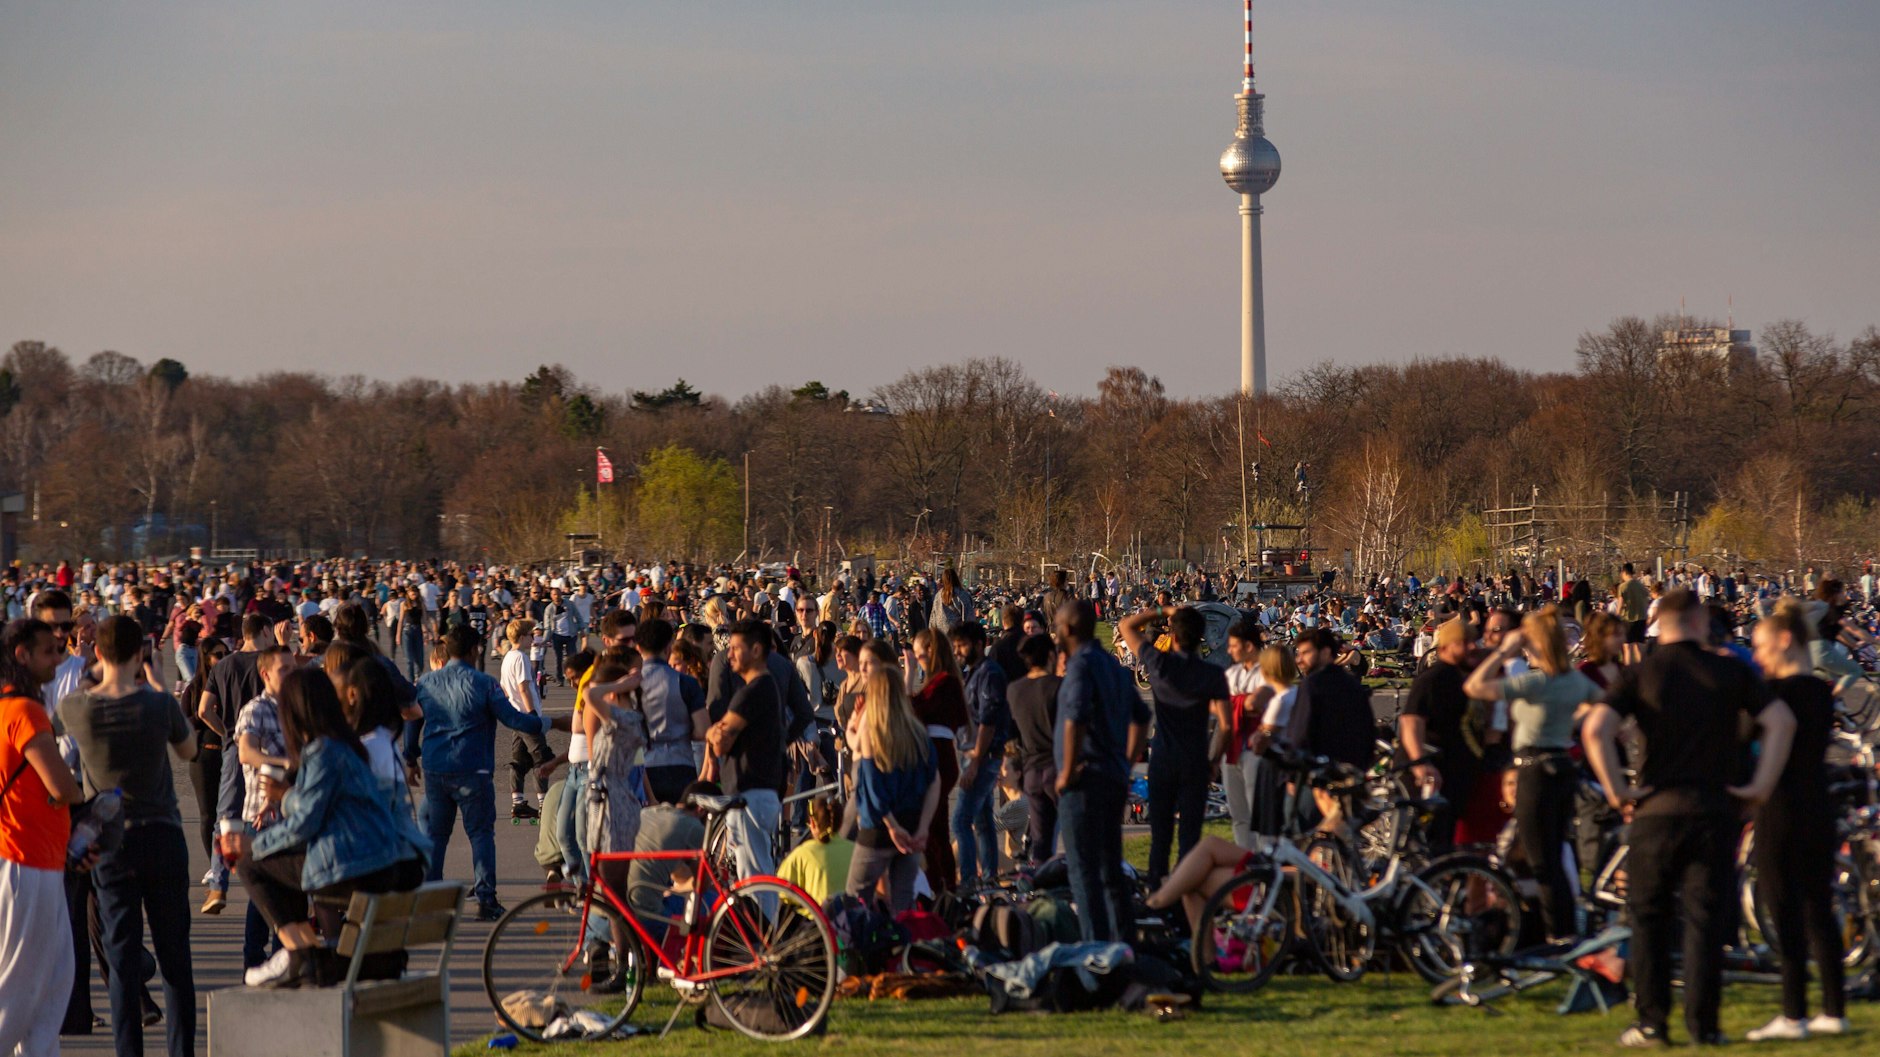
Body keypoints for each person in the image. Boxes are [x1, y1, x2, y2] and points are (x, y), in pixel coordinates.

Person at [1582, 588, 1796, 1047]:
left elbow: (1595, 728)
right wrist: (1760, 785)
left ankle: (1652, 1021)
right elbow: (1782, 721)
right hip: (1714, 808)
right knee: (1705, 920)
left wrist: (1618, 789)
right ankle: (1705, 1025)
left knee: (1648, 916)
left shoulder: (1642, 672)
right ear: (1700, 622)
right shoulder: (1730, 670)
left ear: (1660, 623)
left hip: (1656, 808)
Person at [226, 668, 431, 989]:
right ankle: (302, 952)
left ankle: (298, 953)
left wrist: (253, 845)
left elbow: (304, 824)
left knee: (253, 864)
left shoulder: (323, 752)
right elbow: (320, 808)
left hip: (354, 870)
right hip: (379, 863)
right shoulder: (350, 747)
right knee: (280, 860)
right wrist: (288, 802)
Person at [59, 614, 199, 1057]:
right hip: (161, 833)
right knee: (175, 959)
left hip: (110, 841)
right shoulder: (159, 706)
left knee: (120, 962)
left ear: (97, 653)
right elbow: (188, 749)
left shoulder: (78, 708)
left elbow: (59, 727)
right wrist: (157, 683)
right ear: (142, 655)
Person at [1742, 601, 1847, 1041]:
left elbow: (1745, 736)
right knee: (1820, 909)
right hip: (1818, 804)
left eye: (1762, 647)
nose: (1759, 657)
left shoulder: (1777, 695)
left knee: (1783, 909)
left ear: (1785, 641)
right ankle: (1833, 1008)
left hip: (1780, 806)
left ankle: (1792, 1012)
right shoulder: (1821, 692)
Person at [1463, 606, 1599, 943]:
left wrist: (1505, 652)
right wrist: (1573, 719)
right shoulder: (1574, 680)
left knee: (1541, 861)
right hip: (1563, 765)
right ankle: (1565, 929)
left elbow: (1475, 687)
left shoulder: (1535, 682)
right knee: (1555, 855)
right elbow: (1606, 705)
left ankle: (1556, 936)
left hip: (1533, 769)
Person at [411, 626, 564, 920]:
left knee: (436, 836)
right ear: (474, 650)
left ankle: (430, 900)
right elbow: (512, 718)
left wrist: (409, 755)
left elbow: (412, 721)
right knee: (480, 834)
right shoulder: (484, 684)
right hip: (473, 768)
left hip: (435, 768)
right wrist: (550, 723)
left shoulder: (427, 682)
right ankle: (485, 898)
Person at [1, 618, 93, 1057]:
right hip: (28, 859)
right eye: (49, 652)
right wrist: (77, 793)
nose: (59, 660)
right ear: (22, 655)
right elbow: (61, 785)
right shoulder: (25, 711)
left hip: (33, 857)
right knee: (21, 992)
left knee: (51, 987)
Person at [1054, 600, 1149, 943]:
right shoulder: (1111, 664)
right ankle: (1123, 945)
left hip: (1085, 780)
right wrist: (1125, 761)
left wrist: (1065, 772)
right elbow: (1142, 716)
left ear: (1067, 629)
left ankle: (1094, 949)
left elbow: (1075, 718)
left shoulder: (1080, 666)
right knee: (1111, 869)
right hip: (1112, 775)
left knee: (1082, 872)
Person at [1119, 605, 1229, 886]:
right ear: (1200, 637)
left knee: (1161, 834)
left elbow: (1126, 627)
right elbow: (1226, 724)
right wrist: (1214, 760)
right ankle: (1186, 892)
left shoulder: (1160, 664)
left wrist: (1161, 609)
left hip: (1164, 757)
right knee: (1190, 836)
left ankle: (1157, 888)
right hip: (1195, 760)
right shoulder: (1212, 674)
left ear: (1174, 637)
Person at [845, 667, 939, 914]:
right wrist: (923, 828)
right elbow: (934, 782)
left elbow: (874, 788)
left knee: (855, 900)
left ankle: (859, 952)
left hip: (878, 828)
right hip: (912, 825)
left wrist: (891, 826)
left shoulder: (872, 733)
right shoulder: (919, 734)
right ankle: (904, 951)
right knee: (904, 903)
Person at [705, 620, 786, 885]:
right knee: (756, 872)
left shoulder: (751, 693)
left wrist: (711, 732)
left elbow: (720, 743)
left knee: (755, 880)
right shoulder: (765, 687)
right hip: (759, 792)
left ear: (756, 650)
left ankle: (763, 926)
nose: (729, 655)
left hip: (749, 796)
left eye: (736, 648)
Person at [1397, 616, 1482, 854]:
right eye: (1464, 642)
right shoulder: (1435, 678)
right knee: (1431, 845)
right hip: (1431, 776)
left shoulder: (1460, 675)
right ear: (1445, 647)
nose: (1472, 647)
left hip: (1452, 774)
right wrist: (1420, 763)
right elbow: (1411, 721)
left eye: (1473, 641)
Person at [906, 628, 967, 895]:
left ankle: (939, 886)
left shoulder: (945, 683)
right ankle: (944, 886)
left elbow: (913, 711)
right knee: (937, 825)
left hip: (939, 758)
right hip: (937, 756)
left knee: (931, 826)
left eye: (920, 656)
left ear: (931, 651)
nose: (917, 661)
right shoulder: (941, 682)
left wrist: (907, 678)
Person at [951, 622, 1012, 888]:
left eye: (962, 645)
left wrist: (975, 761)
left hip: (983, 756)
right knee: (983, 819)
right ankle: (988, 875)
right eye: (955, 646)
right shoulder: (973, 672)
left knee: (960, 820)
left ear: (979, 643)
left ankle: (968, 879)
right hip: (975, 754)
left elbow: (988, 720)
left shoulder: (989, 673)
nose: (958, 651)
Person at [634, 618, 707, 804]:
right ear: (669, 647)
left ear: (638, 648)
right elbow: (702, 731)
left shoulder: (629, 684)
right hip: (680, 763)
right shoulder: (686, 683)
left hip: (644, 765)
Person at [1005, 632, 1060, 864]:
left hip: (1031, 770)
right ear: (1050, 655)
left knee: (1040, 841)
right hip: (1057, 767)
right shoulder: (1059, 686)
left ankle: (1040, 885)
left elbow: (1012, 732)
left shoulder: (1015, 690)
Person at [778, 796, 856, 907]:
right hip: (853, 916)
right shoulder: (854, 849)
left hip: (818, 919)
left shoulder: (802, 853)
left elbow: (781, 890)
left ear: (812, 823)